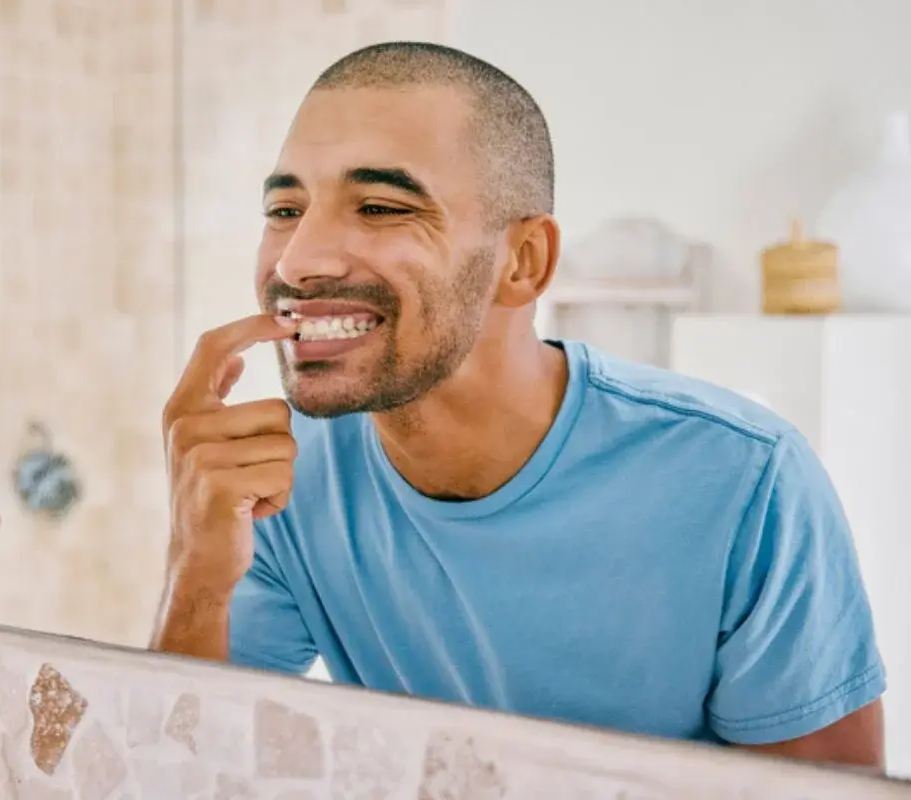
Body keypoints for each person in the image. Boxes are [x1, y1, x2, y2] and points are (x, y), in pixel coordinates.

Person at [155, 42, 886, 768]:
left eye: (379, 207)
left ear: (524, 261)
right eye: (284, 209)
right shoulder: (281, 483)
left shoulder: (743, 482)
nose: (297, 260)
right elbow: (175, 771)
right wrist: (196, 572)